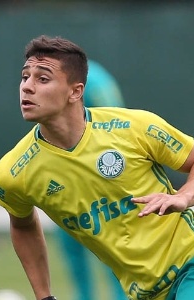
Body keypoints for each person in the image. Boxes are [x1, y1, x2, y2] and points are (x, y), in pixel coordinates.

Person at [0, 35, 194, 300]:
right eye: (24, 77)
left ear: (75, 91)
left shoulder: (132, 127)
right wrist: (44, 296)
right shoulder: (14, 173)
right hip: (144, 293)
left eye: (42, 79)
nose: (27, 87)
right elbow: (22, 225)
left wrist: (183, 196)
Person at [54, 59, 127, 300]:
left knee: (109, 251)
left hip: (91, 177)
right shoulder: (94, 74)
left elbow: (112, 124)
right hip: (70, 176)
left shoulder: (90, 79)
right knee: (90, 250)